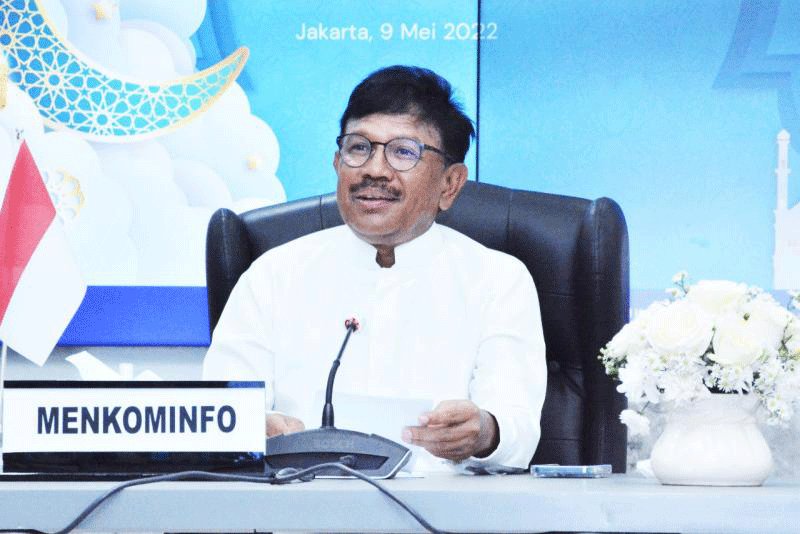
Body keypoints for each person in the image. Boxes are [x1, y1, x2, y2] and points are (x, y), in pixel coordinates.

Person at [202, 65, 547, 470]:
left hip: (440, 504)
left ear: (450, 184)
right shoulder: (273, 274)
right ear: (337, 164)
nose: (374, 170)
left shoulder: (497, 280)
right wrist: (248, 430)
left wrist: (485, 431)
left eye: (403, 152)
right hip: (299, 501)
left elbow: (516, 430)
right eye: (359, 148)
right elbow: (217, 413)